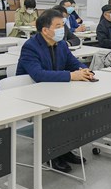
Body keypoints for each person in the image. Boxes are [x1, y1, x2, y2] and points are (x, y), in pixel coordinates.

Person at [16, 9, 94, 172]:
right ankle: (52, 154)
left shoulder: (61, 44)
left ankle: (65, 150)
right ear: (45, 30)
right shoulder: (30, 47)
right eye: (58, 26)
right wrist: (71, 76)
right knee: (58, 115)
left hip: (55, 91)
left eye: (62, 25)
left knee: (74, 110)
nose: (62, 29)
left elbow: (73, 63)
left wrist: (84, 70)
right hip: (32, 96)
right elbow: (39, 75)